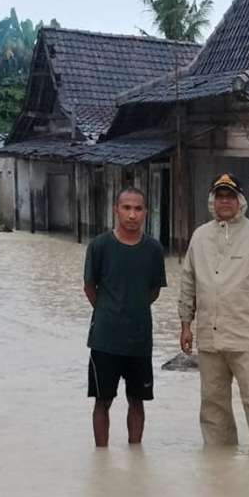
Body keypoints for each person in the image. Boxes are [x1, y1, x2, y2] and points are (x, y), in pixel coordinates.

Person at [177, 174, 249, 456]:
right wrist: (185, 324)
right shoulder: (200, 237)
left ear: (241, 201)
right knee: (213, 405)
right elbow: (188, 282)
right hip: (209, 338)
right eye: (219, 196)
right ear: (212, 201)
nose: (224, 201)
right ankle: (218, 464)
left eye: (230, 196)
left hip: (248, 337)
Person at [83, 187, 167, 447]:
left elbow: (153, 291)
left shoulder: (153, 249)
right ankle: (101, 457)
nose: (132, 214)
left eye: (138, 209)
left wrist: (133, 307)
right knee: (102, 401)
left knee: (137, 400)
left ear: (145, 213)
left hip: (139, 340)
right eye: (126, 208)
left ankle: (135, 455)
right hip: (105, 340)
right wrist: (109, 310)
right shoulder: (99, 246)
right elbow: (90, 287)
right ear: (115, 210)